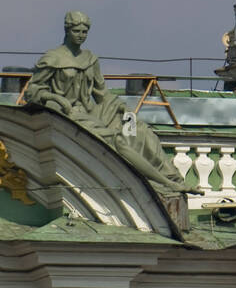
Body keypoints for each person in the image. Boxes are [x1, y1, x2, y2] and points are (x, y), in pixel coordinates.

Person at [24, 11, 196, 193]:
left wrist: (123, 109)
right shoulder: (53, 58)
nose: (81, 36)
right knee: (118, 140)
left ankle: (172, 178)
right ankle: (160, 183)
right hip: (68, 115)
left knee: (139, 130)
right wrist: (56, 98)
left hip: (91, 111)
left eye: (84, 32)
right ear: (67, 31)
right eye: (77, 31)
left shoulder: (90, 59)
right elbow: (32, 92)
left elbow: (101, 93)